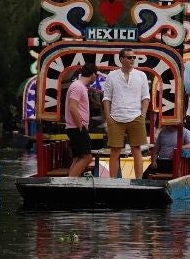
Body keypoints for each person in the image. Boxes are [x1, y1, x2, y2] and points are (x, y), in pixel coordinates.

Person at [103, 49, 150, 178]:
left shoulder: (141, 75)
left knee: (136, 149)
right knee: (115, 150)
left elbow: (146, 96)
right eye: (129, 58)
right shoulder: (111, 75)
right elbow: (107, 97)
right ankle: (112, 181)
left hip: (136, 116)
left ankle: (139, 181)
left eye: (134, 57)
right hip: (116, 117)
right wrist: (108, 117)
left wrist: (143, 114)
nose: (133, 60)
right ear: (121, 59)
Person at [64, 63, 98, 177]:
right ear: (93, 74)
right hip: (76, 127)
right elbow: (73, 107)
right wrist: (80, 126)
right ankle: (70, 183)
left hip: (74, 127)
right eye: (96, 75)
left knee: (78, 157)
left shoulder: (79, 86)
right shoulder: (78, 86)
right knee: (87, 158)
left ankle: (68, 183)